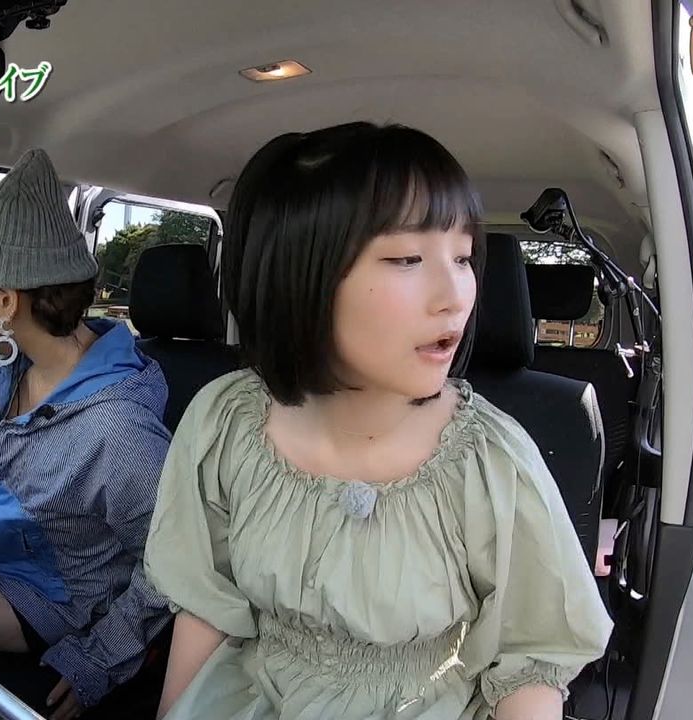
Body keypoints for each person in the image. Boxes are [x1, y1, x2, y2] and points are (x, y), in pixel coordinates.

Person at [143, 123, 614, 720]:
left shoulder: (489, 458)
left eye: (463, 258)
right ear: (300, 276)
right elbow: (206, 606)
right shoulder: (225, 423)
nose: (455, 296)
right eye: (407, 258)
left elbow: (531, 664)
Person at [0, 148, 173, 719]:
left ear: (6, 301)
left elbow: (172, 563)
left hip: (50, 592)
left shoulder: (116, 431)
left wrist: (99, 660)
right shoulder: (12, 367)